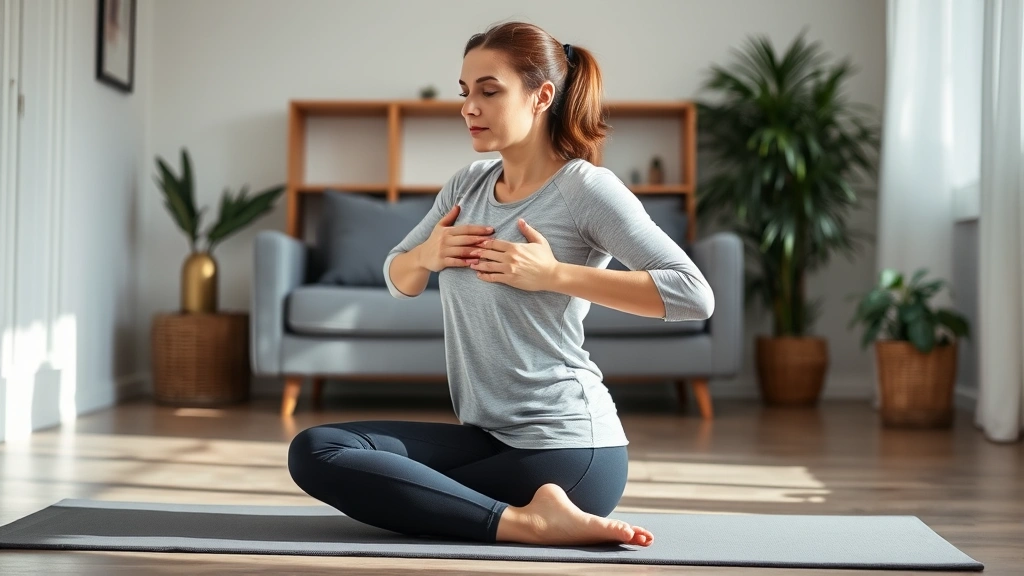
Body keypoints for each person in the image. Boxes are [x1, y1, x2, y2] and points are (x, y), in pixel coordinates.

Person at [288, 20, 714, 547]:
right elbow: (399, 276)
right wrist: (428, 253)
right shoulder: (468, 183)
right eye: (465, 92)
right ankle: (524, 519)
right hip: (488, 439)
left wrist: (553, 274)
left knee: (377, 485)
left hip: (570, 453)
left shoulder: (584, 188)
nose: (469, 106)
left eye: (489, 91)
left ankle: (526, 518)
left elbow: (692, 294)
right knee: (318, 448)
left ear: (541, 97)